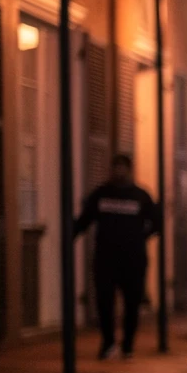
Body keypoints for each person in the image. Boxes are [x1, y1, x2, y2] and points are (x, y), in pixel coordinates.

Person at [73, 154, 160, 359]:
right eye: (115, 167)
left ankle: (128, 344)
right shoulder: (101, 194)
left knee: (132, 304)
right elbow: (85, 219)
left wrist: (141, 237)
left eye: (122, 168)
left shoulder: (140, 196)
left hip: (133, 260)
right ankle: (108, 342)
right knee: (104, 302)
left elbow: (157, 222)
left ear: (129, 170)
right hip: (105, 258)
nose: (118, 172)